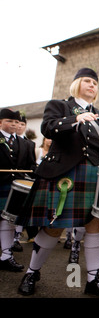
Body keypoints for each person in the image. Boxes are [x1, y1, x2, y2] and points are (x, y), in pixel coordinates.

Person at [17, 67, 99, 298]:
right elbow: (48, 128)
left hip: (96, 177)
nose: (92, 85)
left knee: (95, 227)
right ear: (76, 84)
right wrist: (75, 118)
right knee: (54, 227)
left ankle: (93, 279)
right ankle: (32, 272)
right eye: (87, 81)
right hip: (67, 175)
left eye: (95, 83)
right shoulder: (60, 106)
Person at [0, 109, 36, 272]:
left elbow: (31, 166)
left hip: (16, 189)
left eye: (16, 122)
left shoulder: (26, 143)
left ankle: (6, 256)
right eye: (10, 121)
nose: (14, 124)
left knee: (9, 221)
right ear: (0, 122)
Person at [11, 112, 38, 251]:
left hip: (20, 182)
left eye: (22, 124)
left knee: (17, 213)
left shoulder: (29, 144)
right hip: (5, 181)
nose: (19, 126)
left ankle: (15, 238)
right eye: (17, 123)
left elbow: (31, 164)